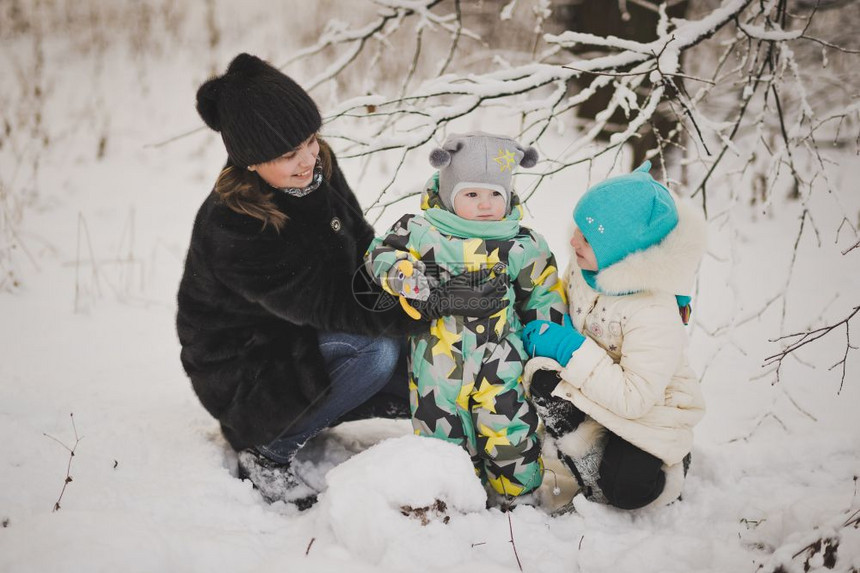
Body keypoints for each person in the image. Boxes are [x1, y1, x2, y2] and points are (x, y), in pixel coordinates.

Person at [176, 54, 506, 509]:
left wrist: (432, 281)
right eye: (288, 154)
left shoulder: (317, 170)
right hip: (248, 373)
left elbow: (364, 253)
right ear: (250, 161)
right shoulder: (236, 224)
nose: (308, 158)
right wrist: (437, 301)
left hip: (306, 337)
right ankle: (266, 450)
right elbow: (334, 305)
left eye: (310, 140)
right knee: (375, 350)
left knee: (432, 364)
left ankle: (493, 446)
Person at [364, 132, 569, 504]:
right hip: (436, 359)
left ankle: (517, 496)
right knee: (441, 432)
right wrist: (408, 278)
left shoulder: (523, 244)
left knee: (510, 427)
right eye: (472, 194)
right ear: (448, 191)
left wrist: (548, 352)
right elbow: (379, 255)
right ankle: (453, 496)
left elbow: (543, 296)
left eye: (495, 194)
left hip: (502, 358)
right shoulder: (421, 231)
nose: (485, 204)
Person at [522, 161, 707, 511]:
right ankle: (584, 449)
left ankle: (667, 464)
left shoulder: (653, 311)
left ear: (622, 252)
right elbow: (565, 298)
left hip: (650, 410)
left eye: (587, 238)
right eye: (577, 227)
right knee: (542, 380)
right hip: (597, 386)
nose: (573, 241)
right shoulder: (588, 264)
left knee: (627, 489)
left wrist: (568, 347)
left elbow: (635, 398)